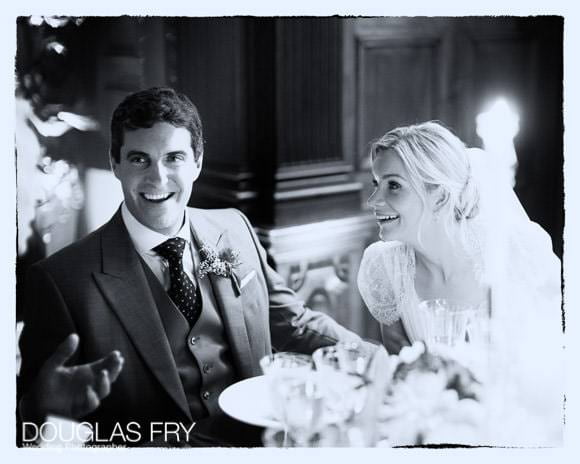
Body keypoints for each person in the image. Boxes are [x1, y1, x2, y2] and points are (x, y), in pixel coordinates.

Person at [17, 87, 363, 447]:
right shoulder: (60, 281)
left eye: (174, 158)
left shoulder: (235, 228)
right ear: (114, 163)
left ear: (197, 161)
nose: (158, 179)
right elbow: (31, 425)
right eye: (139, 159)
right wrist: (44, 414)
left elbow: (294, 323)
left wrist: (375, 360)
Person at [356, 121, 563, 446]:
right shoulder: (384, 268)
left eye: (393, 186)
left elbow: (555, 366)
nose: (373, 200)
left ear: (438, 194)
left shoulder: (516, 250)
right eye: (376, 183)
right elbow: (405, 379)